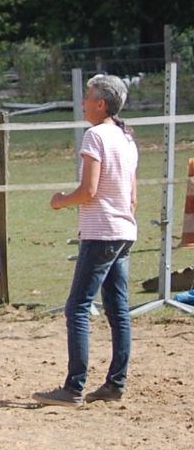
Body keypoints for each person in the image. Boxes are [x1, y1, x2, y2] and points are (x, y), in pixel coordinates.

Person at [38, 73, 140, 405]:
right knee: (118, 309)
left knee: (78, 307)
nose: (82, 103)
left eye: (88, 97)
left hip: (101, 233)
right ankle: (115, 382)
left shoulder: (94, 136)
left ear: (101, 103)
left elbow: (89, 191)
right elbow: (133, 195)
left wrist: (59, 201)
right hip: (124, 230)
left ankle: (74, 387)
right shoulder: (126, 138)